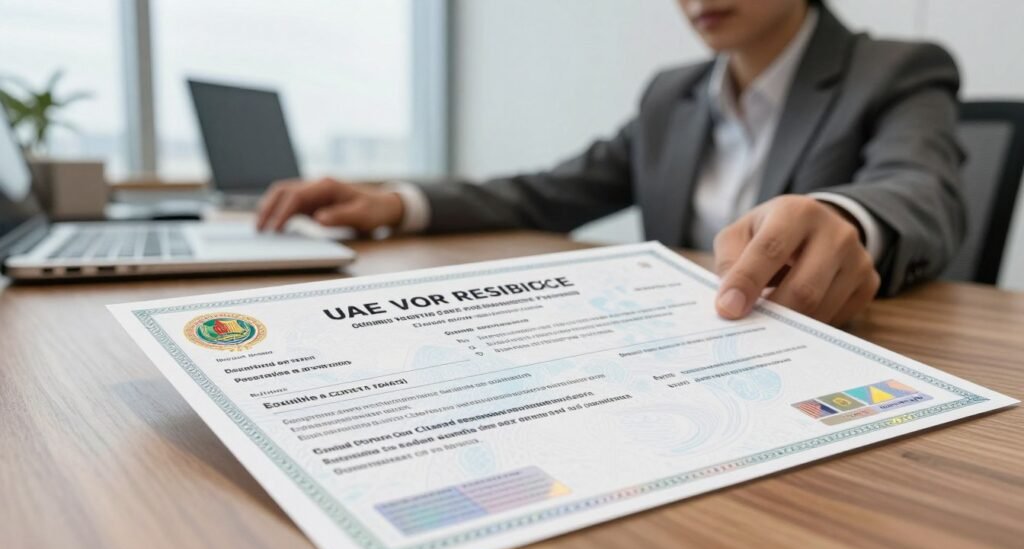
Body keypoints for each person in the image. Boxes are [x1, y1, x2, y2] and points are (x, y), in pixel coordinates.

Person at [256, 0, 964, 326]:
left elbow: (920, 187)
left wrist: (842, 214)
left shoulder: (897, 68)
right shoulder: (671, 94)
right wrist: (397, 203)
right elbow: (545, 194)